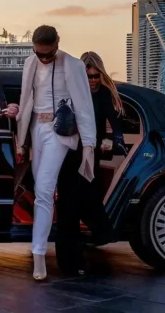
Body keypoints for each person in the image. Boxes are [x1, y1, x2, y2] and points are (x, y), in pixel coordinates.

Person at [6, 25, 97, 281]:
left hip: (61, 131)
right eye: (39, 54)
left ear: (58, 43)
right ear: (34, 48)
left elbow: (84, 105)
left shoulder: (74, 65)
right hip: (35, 130)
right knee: (40, 192)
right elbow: (26, 98)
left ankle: (39, 256)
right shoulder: (29, 64)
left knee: (45, 189)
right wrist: (21, 134)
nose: (44, 58)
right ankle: (38, 253)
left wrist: (89, 143)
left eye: (49, 54)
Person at [54, 51, 128, 276]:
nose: (93, 80)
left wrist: (118, 140)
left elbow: (113, 121)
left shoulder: (104, 94)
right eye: (88, 76)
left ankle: (100, 235)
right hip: (68, 156)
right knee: (68, 208)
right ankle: (71, 261)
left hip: (89, 155)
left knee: (86, 201)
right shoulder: (70, 93)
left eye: (96, 76)